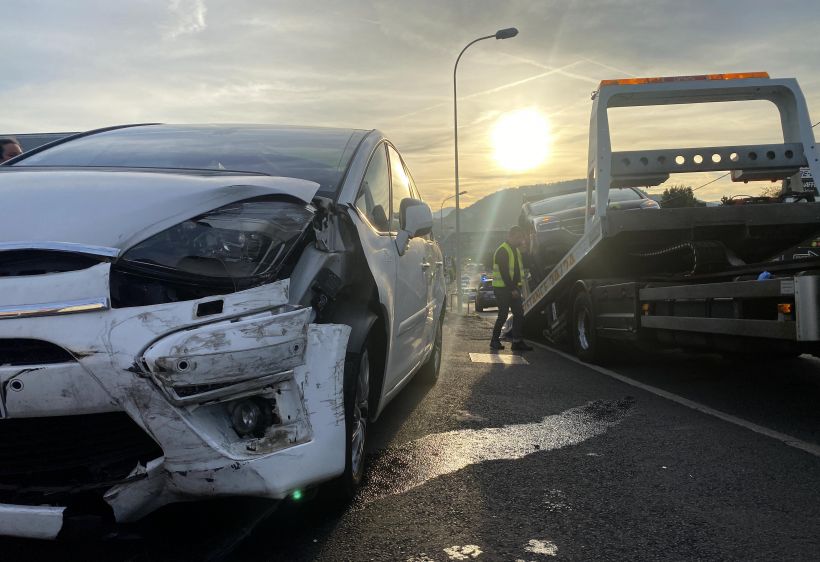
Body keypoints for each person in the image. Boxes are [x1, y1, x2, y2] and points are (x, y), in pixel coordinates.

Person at [490, 226, 533, 351]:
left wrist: (525, 250)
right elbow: (504, 272)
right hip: (503, 289)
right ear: (510, 236)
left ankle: (517, 342)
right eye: (517, 237)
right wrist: (512, 289)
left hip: (513, 288)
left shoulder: (516, 250)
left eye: (521, 237)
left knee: (519, 314)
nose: (520, 240)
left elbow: (519, 269)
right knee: (503, 315)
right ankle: (494, 340)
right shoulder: (503, 250)